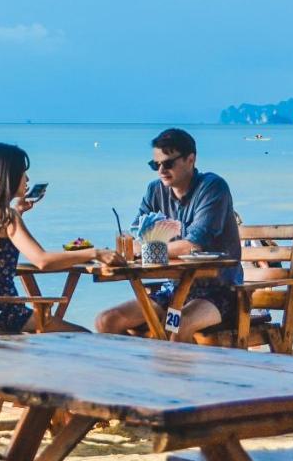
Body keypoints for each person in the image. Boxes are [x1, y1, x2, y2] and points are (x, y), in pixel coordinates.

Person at [95, 128, 242, 341]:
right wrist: (140, 247)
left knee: (175, 325)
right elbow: (136, 237)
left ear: (190, 160)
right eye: (155, 165)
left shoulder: (212, 188)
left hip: (219, 291)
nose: (161, 170)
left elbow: (193, 244)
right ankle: (135, 373)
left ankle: (171, 373)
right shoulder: (155, 191)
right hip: (172, 289)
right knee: (107, 321)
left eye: (168, 163)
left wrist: (144, 250)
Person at [0, 143, 118, 332]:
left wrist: (18, 212)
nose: (28, 178)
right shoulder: (7, 218)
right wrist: (95, 253)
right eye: (24, 172)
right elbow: (42, 260)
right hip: (4, 315)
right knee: (85, 336)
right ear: (9, 176)